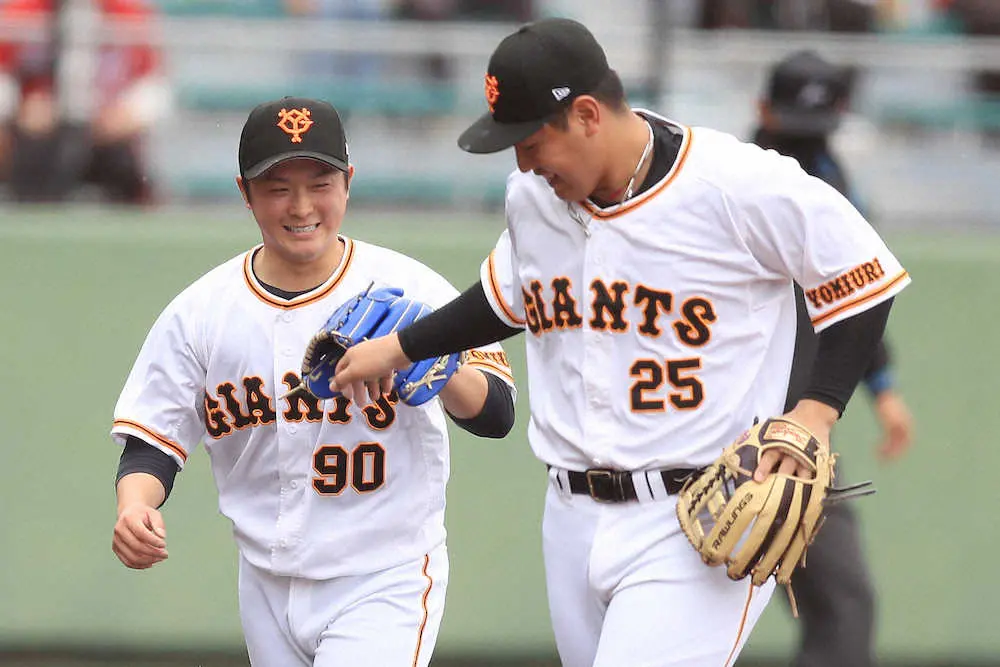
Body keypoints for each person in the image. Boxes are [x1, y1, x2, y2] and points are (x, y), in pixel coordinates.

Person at [326, 18, 911, 667]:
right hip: (569, 518)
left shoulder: (735, 183)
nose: (521, 160)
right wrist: (402, 347)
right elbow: (508, 298)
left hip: (694, 516)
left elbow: (864, 274)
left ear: (585, 114)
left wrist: (817, 411)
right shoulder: (534, 197)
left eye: (529, 138)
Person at [109, 96, 517, 666]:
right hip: (265, 585)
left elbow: (497, 414)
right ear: (244, 193)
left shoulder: (410, 287)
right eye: (277, 187)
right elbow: (151, 443)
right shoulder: (201, 312)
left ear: (348, 182)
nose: (301, 205)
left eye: (320, 182)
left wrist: (435, 363)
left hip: (384, 576)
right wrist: (134, 507)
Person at [752, 49, 915, 667]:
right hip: (728, 423)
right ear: (762, 110)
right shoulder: (729, 182)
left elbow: (856, 300)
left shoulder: (833, 179)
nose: (801, 142)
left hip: (804, 423)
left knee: (845, 605)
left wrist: (885, 387)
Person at [0, 0, 168, 204]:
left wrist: (127, 113)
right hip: (40, 137)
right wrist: (20, 108)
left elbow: (153, 83)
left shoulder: (128, 13)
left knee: (125, 168)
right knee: (30, 162)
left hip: (105, 135)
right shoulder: (22, 12)